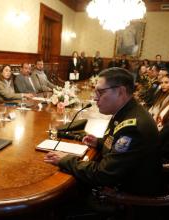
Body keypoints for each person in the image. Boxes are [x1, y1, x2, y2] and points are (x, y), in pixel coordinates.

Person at [44, 68, 162, 218]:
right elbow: (122, 150)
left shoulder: (133, 127)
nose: (95, 97)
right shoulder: (127, 111)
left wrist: (65, 159)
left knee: (58, 204)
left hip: (128, 202)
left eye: (100, 92)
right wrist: (100, 143)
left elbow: (103, 174)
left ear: (120, 91)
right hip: (121, 184)